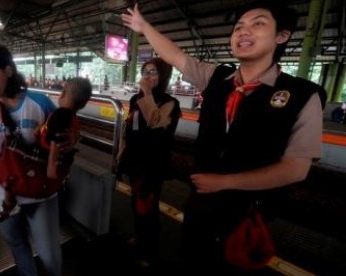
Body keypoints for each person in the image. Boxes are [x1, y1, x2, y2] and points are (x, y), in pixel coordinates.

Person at [122, 1, 326, 273]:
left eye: (258, 24)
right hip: (200, 205)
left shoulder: (303, 96)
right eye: (239, 26)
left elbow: (296, 168)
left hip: (247, 216)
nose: (243, 31)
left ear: (282, 36)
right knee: (193, 260)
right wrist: (143, 26)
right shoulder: (216, 78)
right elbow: (175, 56)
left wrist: (225, 182)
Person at [0, 43, 74, 276]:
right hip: (1, 196)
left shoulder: (40, 103)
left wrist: (72, 139)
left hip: (41, 193)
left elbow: (64, 138)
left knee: (49, 253)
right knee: (18, 248)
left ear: (7, 70)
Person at [117, 57, 181, 268]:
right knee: (136, 203)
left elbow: (155, 124)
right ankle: (140, 237)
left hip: (153, 165)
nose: (147, 76)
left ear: (163, 76)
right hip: (135, 161)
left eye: (153, 72)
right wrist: (121, 154)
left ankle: (150, 251)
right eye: (145, 72)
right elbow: (130, 127)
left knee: (149, 208)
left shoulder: (171, 103)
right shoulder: (136, 98)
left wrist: (147, 94)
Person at [0, 77, 92, 219]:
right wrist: (40, 128)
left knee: (12, 160)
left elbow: (55, 140)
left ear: (63, 93)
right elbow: (51, 130)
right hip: (55, 157)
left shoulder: (60, 114)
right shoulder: (69, 116)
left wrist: (51, 164)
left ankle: (8, 201)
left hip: (45, 156)